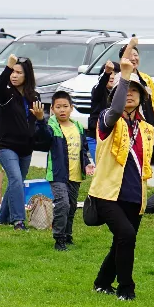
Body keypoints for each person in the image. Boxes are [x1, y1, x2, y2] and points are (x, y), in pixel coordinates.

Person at [87, 37, 153, 301]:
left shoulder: (147, 129)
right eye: (126, 91)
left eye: (135, 91)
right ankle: (126, 288)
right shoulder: (108, 120)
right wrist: (124, 75)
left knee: (121, 241)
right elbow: (115, 110)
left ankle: (102, 282)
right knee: (126, 236)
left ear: (142, 97)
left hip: (134, 195)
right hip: (106, 193)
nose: (130, 95)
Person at [0, 54, 41, 230]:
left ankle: (2, 218)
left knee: (16, 182)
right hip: (5, 145)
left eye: (18, 72)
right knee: (16, 179)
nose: (14, 75)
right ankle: (18, 220)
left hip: (26, 148)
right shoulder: (7, 94)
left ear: (27, 75)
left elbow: (37, 123)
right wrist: (7, 66)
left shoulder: (34, 96)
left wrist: (41, 119)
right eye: (12, 72)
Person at [38, 90, 92, 251]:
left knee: (72, 205)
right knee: (63, 204)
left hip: (75, 174)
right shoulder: (51, 126)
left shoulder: (78, 127)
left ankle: (68, 235)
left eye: (65, 106)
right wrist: (41, 120)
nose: (62, 110)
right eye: (58, 107)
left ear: (71, 108)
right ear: (52, 109)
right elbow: (42, 138)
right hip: (58, 174)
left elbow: (84, 149)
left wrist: (88, 163)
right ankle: (59, 238)